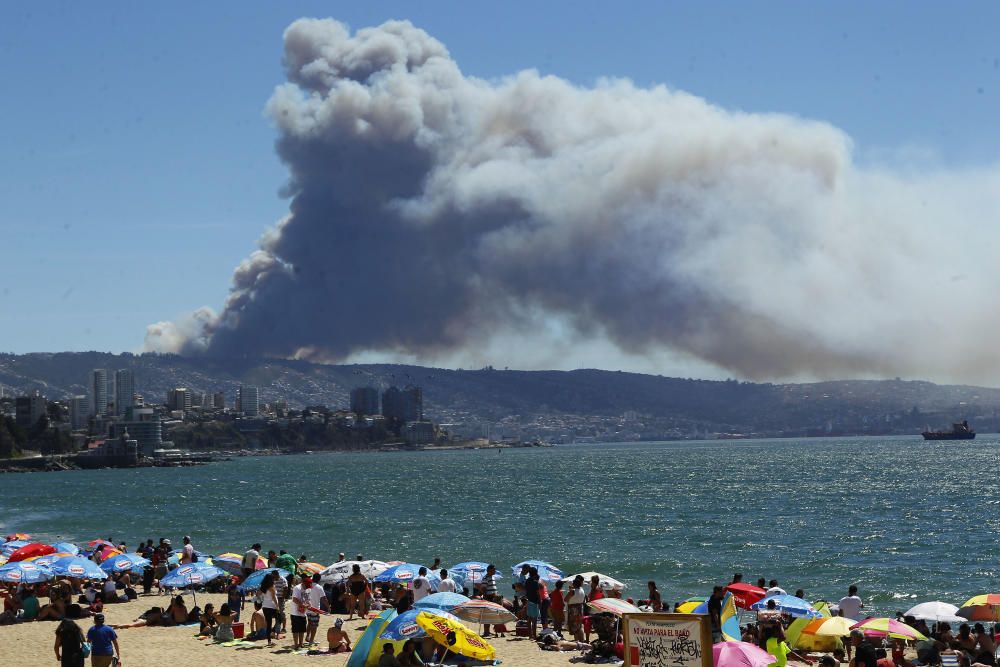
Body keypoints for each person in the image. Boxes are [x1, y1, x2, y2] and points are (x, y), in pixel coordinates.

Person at [260, 572, 279, 647]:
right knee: (279, 619)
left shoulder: (263, 587)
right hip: (271, 606)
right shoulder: (271, 587)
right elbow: (274, 598)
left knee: (269, 623)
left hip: (265, 606)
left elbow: (258, 594)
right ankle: (273, 631)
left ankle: (269, 641)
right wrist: (277, 606)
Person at [566, 575, 587, 642]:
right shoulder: (582, 590)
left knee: (574, 626)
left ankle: (577, 640)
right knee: (579, 625)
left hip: (573, 609)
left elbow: (565, 599)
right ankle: (582, 640)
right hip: (580, 608)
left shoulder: (572, 591)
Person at [524, 568, 541, 640]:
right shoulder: (535, 582)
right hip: (535, 601)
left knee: (529, 618)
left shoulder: (527, 581)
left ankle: (530, 635)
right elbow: (538, 593)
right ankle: (534, 635)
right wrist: (540, 601)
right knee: (534, 620)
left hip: (529, 600)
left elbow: (525, 589)